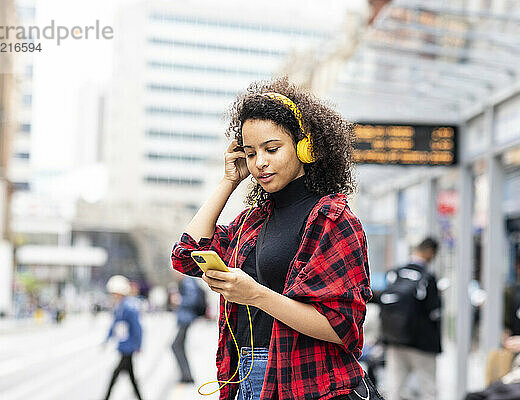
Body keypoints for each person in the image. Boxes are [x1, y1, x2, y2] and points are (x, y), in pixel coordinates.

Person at [172, 77, 379, 400]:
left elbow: (341, 327)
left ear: (305, 147)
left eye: (271, 149)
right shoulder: (254, 220)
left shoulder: (332, 219)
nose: (259, 163)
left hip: (306, 385)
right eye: (250, 153)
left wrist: (255, 295)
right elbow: (186, 254)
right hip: (246, 378)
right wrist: (228, 181)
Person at [380, 237, 441, 400]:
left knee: (394, 388)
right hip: (422, 344)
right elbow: (434, 312)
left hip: (395, 340)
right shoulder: (427, 277)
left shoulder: (395, 273)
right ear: (430, 252)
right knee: (428, 389)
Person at [102, 275, 144, 400]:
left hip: (128, 346)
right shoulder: (119, 307)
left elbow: (138, 328)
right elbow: (114, 325)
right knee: (130, 376)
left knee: (116, 374)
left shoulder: (129, 307)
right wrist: (107, 339)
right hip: (123, 345)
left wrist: (138, 345)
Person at [171, 275, 206, 384]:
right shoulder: (187, 281)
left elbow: (192, 298)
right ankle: (186, 375)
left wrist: (179, 300)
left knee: (176, 346)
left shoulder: (187, 281)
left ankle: (187, 375)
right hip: (185, 318)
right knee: (178, 346)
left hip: (186, 318)